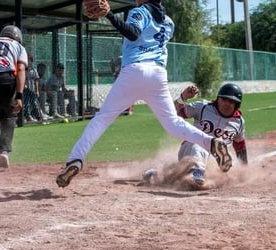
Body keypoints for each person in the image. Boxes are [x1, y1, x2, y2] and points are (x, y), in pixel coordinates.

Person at [56, 0, 232, 188]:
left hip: (134, 70)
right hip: (157, 74)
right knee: (172, 124)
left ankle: (75, 159)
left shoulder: (139, 11)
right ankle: (212, 143)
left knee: (102, 119)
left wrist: (109, 15)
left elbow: (133, 34)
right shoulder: (169, 22)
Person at [144, 83, 248, 186]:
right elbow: (172, 114)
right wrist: (183, 98)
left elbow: (240, 146)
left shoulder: (239, 122)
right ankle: (196, 172)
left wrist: (244, 169)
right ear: (218, 99)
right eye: (224, 99)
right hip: (191, 147)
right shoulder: (203, 107)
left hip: (216, 159)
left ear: (236, 105)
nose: (227, 104)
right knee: (199, 146)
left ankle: (160, 174)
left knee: (229, 165)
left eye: (232, 101)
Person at [0, 25, 28, 171]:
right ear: (18, 37)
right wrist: (20, 95)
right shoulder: (18, 46)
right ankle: (3, 151)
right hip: (4, 79)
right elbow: (21, 69)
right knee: (9, 115)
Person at [23, 54, 43, 123]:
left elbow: (36, 81)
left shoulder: (34, 70)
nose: (28, 62)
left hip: (32, 90)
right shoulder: (23, 70)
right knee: (26, 104)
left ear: (31, 61)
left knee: (34, 103)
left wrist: (37, 90)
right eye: (26, 61)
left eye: (29, 61)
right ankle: (28, 117)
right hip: (25, 90)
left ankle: (38, 117)